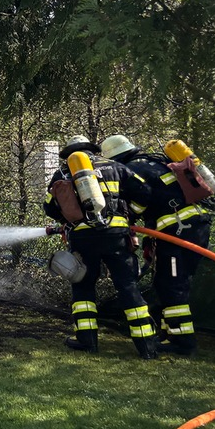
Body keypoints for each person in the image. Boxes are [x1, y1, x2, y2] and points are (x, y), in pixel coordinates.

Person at [44, 135, 158, 358]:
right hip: (116, 235)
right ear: (92, 150)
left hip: (83, 238)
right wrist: (132, 213)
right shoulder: (115, 167)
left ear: (69, 155)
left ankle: (87, 341)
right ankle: (147, 345)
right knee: (127, 286)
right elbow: (145, 193)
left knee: (83, 285)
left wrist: (68, 220)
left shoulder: (63, 173)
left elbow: (49, 207)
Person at [101, 134, 213, 356]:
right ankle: (169, 332)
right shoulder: (157, 162)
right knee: (166, 281)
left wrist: (128, 218)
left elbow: (142, 200)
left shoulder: (131, 171)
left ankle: (183, 342)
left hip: (178, 230)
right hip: (192, 226)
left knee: (172, 284)